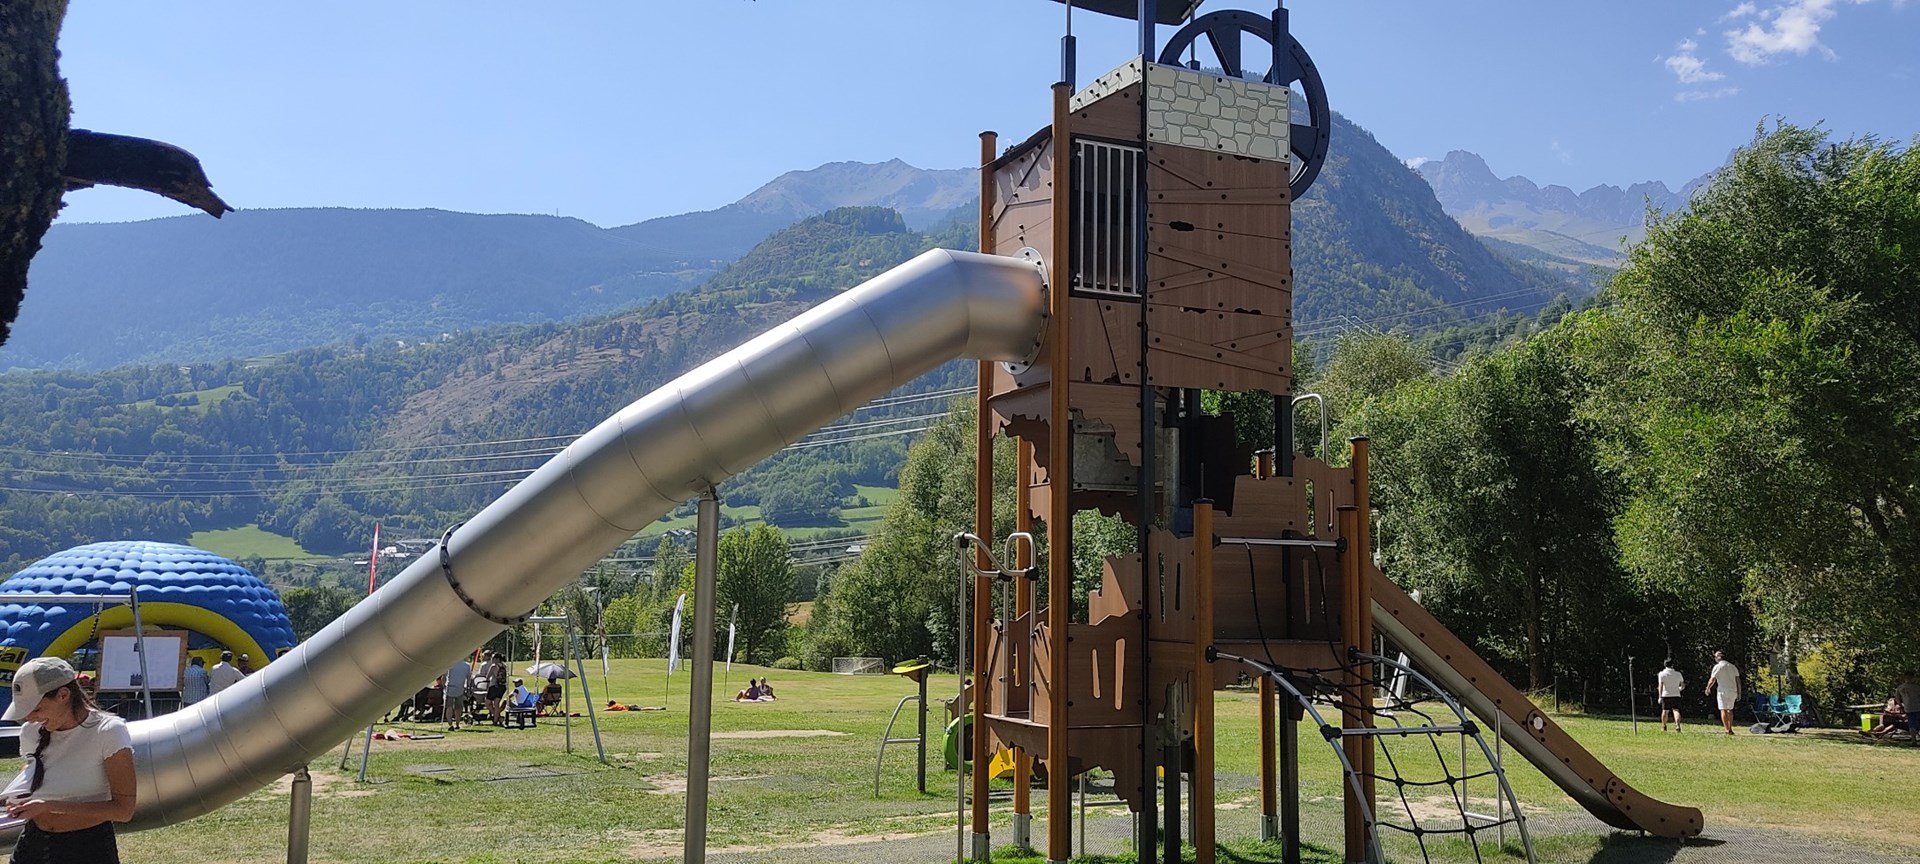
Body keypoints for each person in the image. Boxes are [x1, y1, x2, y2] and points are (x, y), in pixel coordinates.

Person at [1, 656, 136, 862]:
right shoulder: (30, 731)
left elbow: (123, 810)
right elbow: (35, 770)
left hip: (88, 848)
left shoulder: (108, 731)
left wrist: (49, 805)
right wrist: (18, 798)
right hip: (32, 844)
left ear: (63, 695)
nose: (29, 717)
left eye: (36, 709)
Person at [1703, 651, 1740, 735]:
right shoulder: (1732, 666)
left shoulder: (1718, 666)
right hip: (1733, 690)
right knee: (1730, 710)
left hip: (1722, 691)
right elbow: (1738, 681)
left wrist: (1708, 688)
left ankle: (1726, 729)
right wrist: (1739, 692)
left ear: (1718, 658)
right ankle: (1730, 728)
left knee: (1723, 709)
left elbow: (1712, 679)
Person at [1656, 659, 1684, 732]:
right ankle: (1677, 725)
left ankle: (1664, 726)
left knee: (1665, 711)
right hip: (1676, 694)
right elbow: (1682, 685)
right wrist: (1679, 689)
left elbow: (1660, 686)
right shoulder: (1678, 674)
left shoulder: (1662, 674)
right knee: (1676, 710)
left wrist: (1660, 696)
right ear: (1672, 665)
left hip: (1666, 694)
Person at [445, 655, 472, 730]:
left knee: (449, 706)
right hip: (460, 688)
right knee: (459, 707)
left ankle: (450, 724)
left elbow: (444, 677)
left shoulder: (450, 664)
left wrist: (444, 687)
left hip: (450, 687)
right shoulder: (467, 666)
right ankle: (457, 724)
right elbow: (469, 678)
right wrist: (468, 688)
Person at [481, 653, 508, 726]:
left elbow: (488, 677)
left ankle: (496, 716)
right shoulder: (505, 666)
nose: (492, 659)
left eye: (493, 658)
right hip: (502, 686)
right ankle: (496, 720)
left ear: (497, 659)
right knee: (496, 704)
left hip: (494, 686)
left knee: (487, 703)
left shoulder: (493, 666)